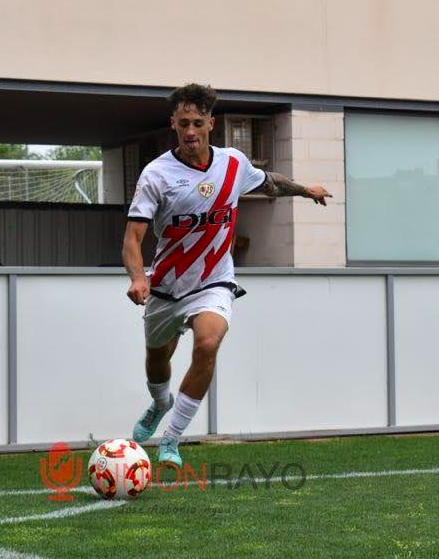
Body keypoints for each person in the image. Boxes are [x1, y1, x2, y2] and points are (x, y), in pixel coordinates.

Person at [123, 83, 331, 466]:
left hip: (214, 282)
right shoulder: (157, 174)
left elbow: (269, 182)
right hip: (165, 288)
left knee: (207, 344)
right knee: (157, 361)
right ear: (173, 123)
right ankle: (159, 403)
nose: (190, 131)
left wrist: (305, 190)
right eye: (183, 123)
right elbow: (133, 238)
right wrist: (139, 277)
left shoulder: (232, 164)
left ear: (210, 124)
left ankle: (171, 439)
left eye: (197, 123)